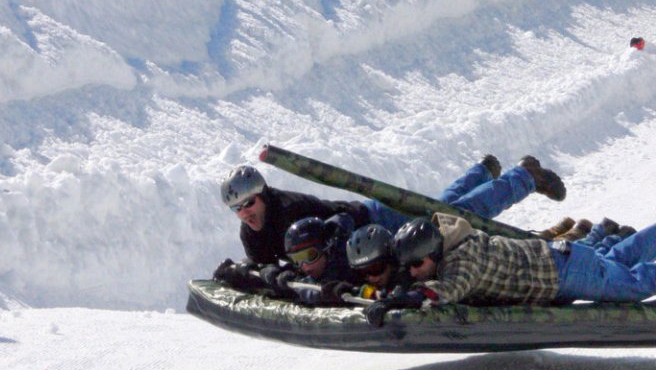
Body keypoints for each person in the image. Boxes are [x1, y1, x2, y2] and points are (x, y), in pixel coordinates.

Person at [218, 154, 566, 266]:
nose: (245, 212)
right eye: (237, 208)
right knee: (443, 207)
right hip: (363, 233)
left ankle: (525, 177)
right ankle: (483, 172)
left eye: (249, 202)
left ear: (263, 194)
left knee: (454, 218)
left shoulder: (290, 211)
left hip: (373, 221)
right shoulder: (252, 233)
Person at [369, 212, 656, 323]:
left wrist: (407, 297)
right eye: (408, 268)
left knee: (634, 285)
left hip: (564, 272)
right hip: (560, 265)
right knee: (618, 261)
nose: (413, 272)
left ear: (433, 252)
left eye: (417, 264)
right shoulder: (448, 250)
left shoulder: (462, 258)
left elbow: (448, 289)